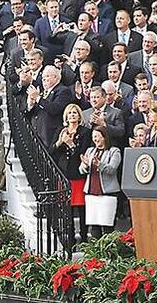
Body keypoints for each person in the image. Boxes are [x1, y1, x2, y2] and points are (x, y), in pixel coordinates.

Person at [50, 103, 92, 243]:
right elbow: (52, 151)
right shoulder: (61, 131)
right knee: (67, 208)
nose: (72, 115)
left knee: (81, 208)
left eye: (75, 113)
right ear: (66, 116)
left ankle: (84, 237)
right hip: (64, 174)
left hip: (78, 173)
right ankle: (71, 238)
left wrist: (71, 144)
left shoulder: (85, 132)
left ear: (79, 116)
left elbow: (83, 152)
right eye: (70, 113)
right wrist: (60, 142)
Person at [80, 126, 122, 237]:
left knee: (107, 225)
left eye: (97, 136)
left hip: (107, 193)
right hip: (91, 192)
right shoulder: (90, 151)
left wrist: (100, 164)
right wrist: (85, 164)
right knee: (94, 225)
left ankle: (108, 252)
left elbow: (112, 169)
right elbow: (81, 170)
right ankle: (96, 252)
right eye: (93, 136)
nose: (95, 139)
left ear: (104, 137)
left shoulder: (114, 151)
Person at [24, 65, 73, 148]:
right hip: (37, 136)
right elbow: (31, 114)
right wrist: (30, 104)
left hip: (50, 135)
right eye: (43, 77)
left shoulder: (63, 90)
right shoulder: (42, 93)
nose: (43, 79)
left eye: (47, 76)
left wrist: (38, 98)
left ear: (55, 77)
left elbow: (54, 109)